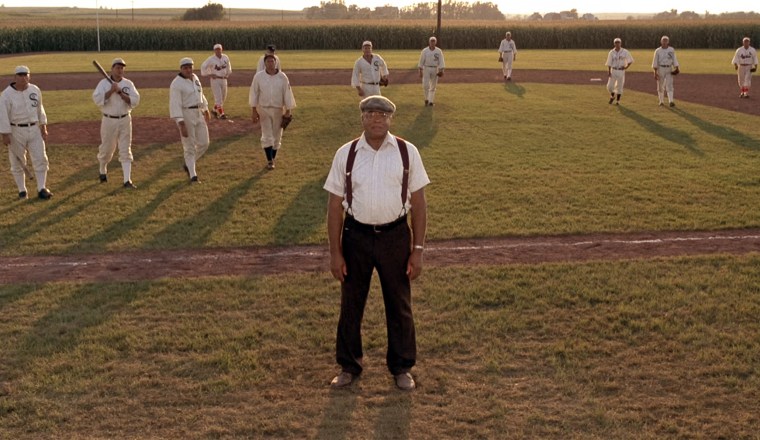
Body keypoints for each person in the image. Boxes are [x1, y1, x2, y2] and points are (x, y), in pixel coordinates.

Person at [324, 95, 430, 391]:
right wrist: (336, 253)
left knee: (399, 304)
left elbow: (419, 204)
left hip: (395, 236)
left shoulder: (407, 152)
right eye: (370, 113)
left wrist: (417, 251)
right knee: (351, 304)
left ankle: (402, 366)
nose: (376, 119)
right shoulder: (346, 154)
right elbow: (335, 206)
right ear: (362, 118)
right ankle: (349, 365)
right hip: (356, 236)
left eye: (382, 115)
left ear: (390, 119)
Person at [0, 65, 52, 200]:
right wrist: (5, 134)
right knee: (17, 161)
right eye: (20, 75)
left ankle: (42, 188)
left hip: (34, 128)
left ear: (29, 76)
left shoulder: (35, 90)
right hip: (15, 130)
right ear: (15, 77)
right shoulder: (6, 95)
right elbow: (3, 115)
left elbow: (40, 108)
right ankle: (22, 190)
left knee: (41, 158)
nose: (23, 78)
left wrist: (43, 125)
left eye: (26, 75)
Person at [92, 57, 140, 188]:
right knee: (107, 149)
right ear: (112, 69)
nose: (120, 70)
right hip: (109, 120)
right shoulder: (103, 84)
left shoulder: (128, 84)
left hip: (125, 119)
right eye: (117, 67)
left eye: (122, 68)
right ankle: (102, 169)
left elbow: (135, 100)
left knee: (125, 148)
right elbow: (97, 100)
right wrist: (111, 91)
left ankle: (127, 180)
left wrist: (122, 94)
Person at [249, 54, 296, 170]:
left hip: (278, 109)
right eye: (268, 61)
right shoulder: (259, 77)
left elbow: (287, 94)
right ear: (264, 63)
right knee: (266, 135)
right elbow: (254, 93)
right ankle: (269, 160)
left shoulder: (282, 77)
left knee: (277, 136)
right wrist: (254, 110)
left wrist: (288, 110)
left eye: (272, 61)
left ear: (276, 63)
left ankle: (272, 158)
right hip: (263, 109)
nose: (270, 63)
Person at [170, 57, 210, 183]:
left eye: (190, 67)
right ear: (181, 69)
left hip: (198, 113)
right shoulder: (176, 84)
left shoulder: (195, 78)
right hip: (186, 114)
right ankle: (193, 176)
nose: (188, 70)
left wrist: (205, 108)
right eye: (185, 68)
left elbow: (200, 94)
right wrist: (181, 123)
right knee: (189, 146)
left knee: (204, 143)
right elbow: (175, 104)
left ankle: (189, 163)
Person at [200, 43, 232, 119]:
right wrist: (210, 74)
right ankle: (222, 114)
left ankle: (214, 110)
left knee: (223, 97)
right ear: (214, 50)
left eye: (219, 49)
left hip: (224, 79)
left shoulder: (225, 57)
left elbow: (228, 67)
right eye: (216, 49)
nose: (218, 51)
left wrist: (227, 74)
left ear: (221, 50)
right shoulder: (211, 59)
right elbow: (203, 66)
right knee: (218, 98)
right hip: (215, 80)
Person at [652, 35, 680, 107]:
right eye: (663, 41)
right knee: (660, 85)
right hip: (660, 68)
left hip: (669, 68)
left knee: (669, 84)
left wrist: (676, 67)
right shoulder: (658, 51)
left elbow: (674, 59)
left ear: (668, 42)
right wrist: (655, 72)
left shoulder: (671, 50)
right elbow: (655, 61)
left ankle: (671, 101)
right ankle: (661, 101)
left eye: (666, 41)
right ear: (661, 42)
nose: (664, 42)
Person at [605, 38, 634, 105]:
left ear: (620, 43)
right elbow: (609, 62)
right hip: (613, 70)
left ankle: (618, 101)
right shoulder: (611, 52)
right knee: (609, 86)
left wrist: (626, 67)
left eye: (618, 42)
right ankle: (612, 95)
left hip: (621, 71)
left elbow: (630, 60)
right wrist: (609, 71)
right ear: (614, 43)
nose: (617, 44)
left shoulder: (625, 52)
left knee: (620, 86)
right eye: (616, 42)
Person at [418, 36, 445, 106]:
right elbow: (421, 61)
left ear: (435, 42)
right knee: (425, 85)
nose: (432, 43)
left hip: (435, 68)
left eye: (433, 41)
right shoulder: (425, 51)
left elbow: (441, 61)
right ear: (429, 42)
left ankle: (431, 101)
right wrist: (420, 70)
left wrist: (441, 70)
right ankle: (426, 99)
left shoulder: (438, 51)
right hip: (426, 68)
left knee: (433, 86)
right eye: (431, 41)